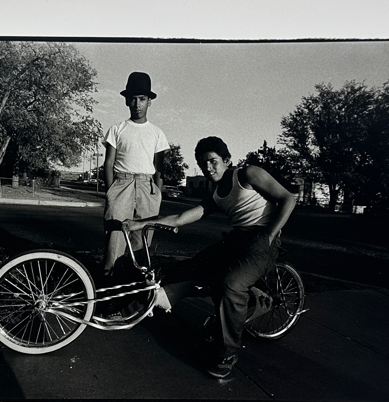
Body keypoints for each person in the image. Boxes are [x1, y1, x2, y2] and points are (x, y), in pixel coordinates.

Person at [124, 136, 297, 378]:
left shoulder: (248, 174)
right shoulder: (216, 196)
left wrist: (269, 234)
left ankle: (227, 353)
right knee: (192, 267)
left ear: (226, 160)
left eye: (213, 161)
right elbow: (180, 218)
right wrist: (138, 224)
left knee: (231, 284)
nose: (208, 168)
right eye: (203, 163)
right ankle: (136, 306)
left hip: (262, 239)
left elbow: (288, 198)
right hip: (237, 239)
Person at [102, 72, 170, 275]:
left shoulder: (157, 133)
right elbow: (109, 163)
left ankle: (135, 285)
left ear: (150, 102)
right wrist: (111, 192)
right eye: (133, 99)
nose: (137, 104)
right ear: (126, 101)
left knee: (142, 239)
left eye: (142, 99)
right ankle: (108, 281)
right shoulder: (117, 129)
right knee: (115, 234)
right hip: (121, 184)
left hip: (146, 186)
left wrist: (156, 193)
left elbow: (159, 169)